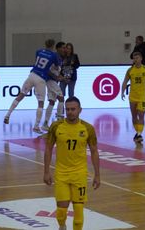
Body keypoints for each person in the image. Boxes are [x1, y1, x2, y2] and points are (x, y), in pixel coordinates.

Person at [44, 96, 100, 230]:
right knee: (62, 209)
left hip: (79, 174)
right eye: (67, 109)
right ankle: (62, 226)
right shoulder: (56, 126)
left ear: (80, 110)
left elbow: (94, 151)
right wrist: (46, 171)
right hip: (61, 174)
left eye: (73, 109)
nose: (70, 112)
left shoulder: (88, 128)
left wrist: (97, 174)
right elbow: (48, 149)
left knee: (79, 211)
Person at [3, 39, 60, 134]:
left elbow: (37, 62)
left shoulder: (39, 51)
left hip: (32, 74)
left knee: (20, 95)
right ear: (53, 45)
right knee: (40, 103)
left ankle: (8, 115)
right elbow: (57, 67)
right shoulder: (54, 55)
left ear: (45, 44)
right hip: (41, 78)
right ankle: (36, 126)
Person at [121, 51, 145, 143]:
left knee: (141, 115)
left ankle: (139, 134)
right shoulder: (130, 70)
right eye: (134, 58)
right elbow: (125, 82)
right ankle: (137, 133)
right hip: (132, 97)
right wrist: (122, 92)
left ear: (141, 58)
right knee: (134, 116)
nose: (136, 60)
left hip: (142, 97)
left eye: (137, 58)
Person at [42, 41, 66, 131]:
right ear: (58, 48)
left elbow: (56, 71)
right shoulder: (54, 56)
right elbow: (47, 70)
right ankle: (60, 120)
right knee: (61, 97)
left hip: (53, 81)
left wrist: (61, 78)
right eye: (63, 47)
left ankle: (45, 123)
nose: (64, 49)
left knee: (52, 101)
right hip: (50, 80)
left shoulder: (60, 58)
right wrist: (56, 77)